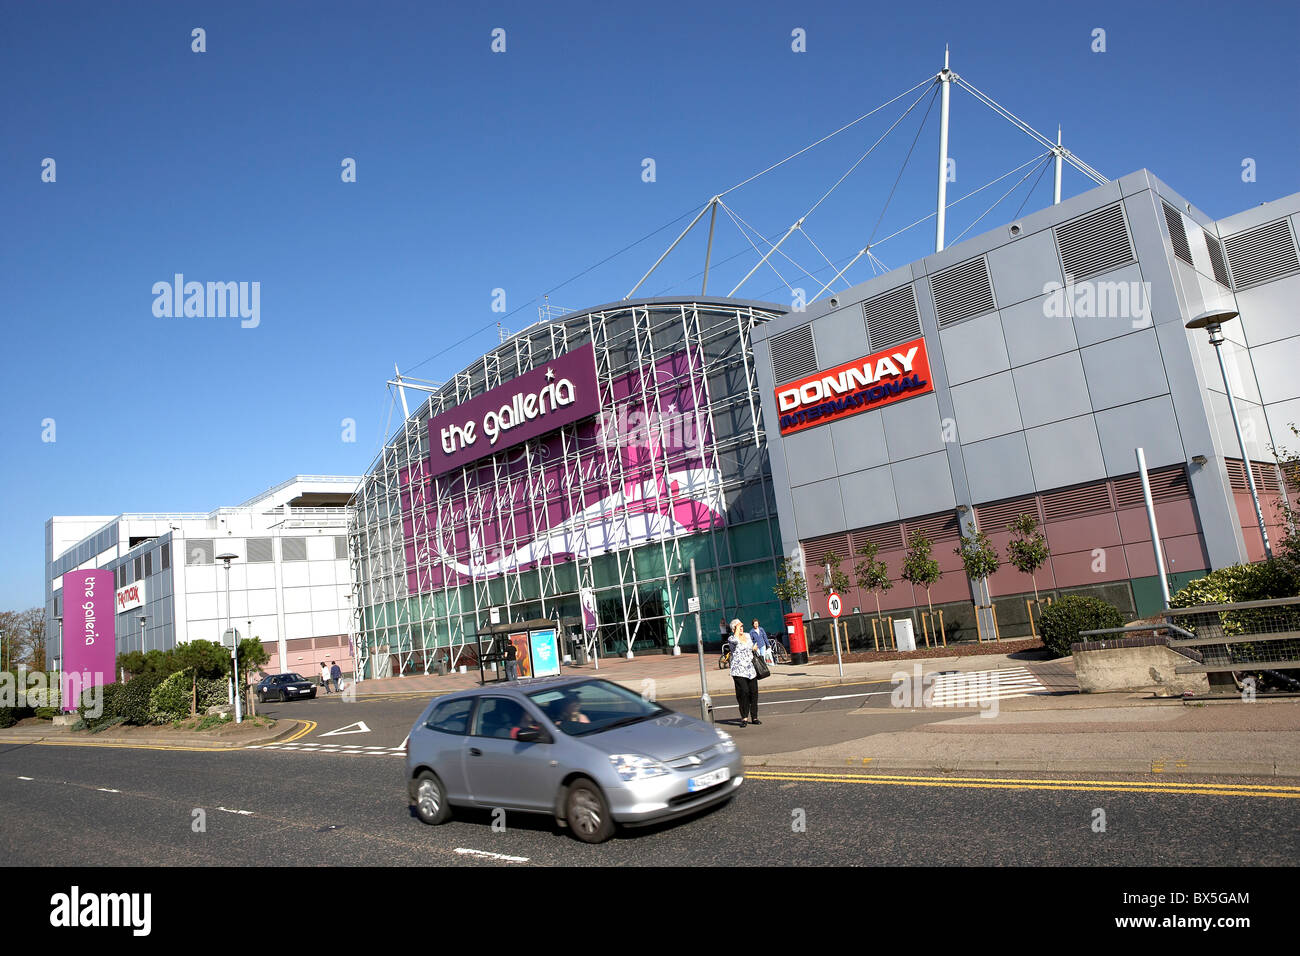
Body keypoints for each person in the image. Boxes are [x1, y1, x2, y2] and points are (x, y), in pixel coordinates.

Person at [727, 618, 761, 727]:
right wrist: (736, 628)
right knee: (744, 692)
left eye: (741, 626)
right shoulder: (731, 638)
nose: (741, 628)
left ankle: (754, 717)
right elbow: (736, 641)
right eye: (738, 627)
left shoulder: (747, 635)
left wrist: (754, 648)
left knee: (754, 693)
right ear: (733, 629)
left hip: (750, 669)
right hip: (739, 670)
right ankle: (744, 718)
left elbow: (750, 647)